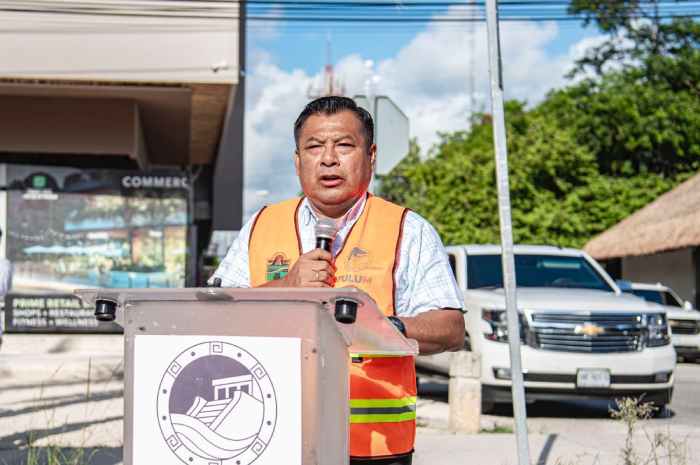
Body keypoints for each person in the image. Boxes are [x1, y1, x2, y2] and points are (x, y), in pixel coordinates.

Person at [210, 96, 465, 465]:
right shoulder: (261, 225)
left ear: (371, 156)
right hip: (270, 435)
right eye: (314, 147)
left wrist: (382, 326)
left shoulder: (408, 230)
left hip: (373, 447)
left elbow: (451, 328)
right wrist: (286, 286)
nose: (328, 158)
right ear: (298, 162)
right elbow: (216, 313)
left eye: (344, 145)